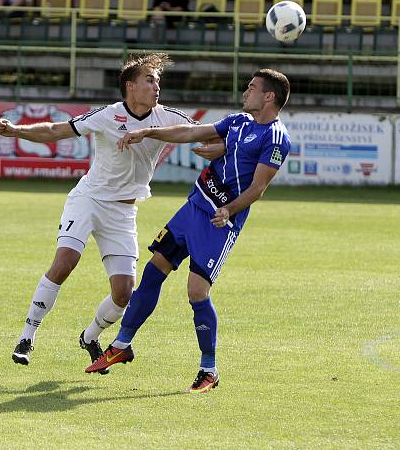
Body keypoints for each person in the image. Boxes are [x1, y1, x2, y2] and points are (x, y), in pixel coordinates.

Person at [0, 53, 221, 370]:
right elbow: (56, 130)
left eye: (158, 81)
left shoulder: (167, 117)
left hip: (123, 213)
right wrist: (16, 130)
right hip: (89, 199)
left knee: (124, 293)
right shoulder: (108, 115)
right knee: (65, 261)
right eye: (150, 80)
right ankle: (27, 337)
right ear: (130, 86)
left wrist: (230, 143)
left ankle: (89, 336)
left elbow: (209, 133)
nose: (157, 86)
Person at [85, 69, 292, 395]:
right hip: (194, 206)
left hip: (218, 223)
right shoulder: (238, 121)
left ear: (269, 97)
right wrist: (149, 133)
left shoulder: (277, 138)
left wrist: (229, 210)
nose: (245, 92)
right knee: (154, 271)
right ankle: (122, 344)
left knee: (196, 292)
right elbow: (191, 132)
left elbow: (258, 187)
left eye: (252, 88)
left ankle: (208, 369)